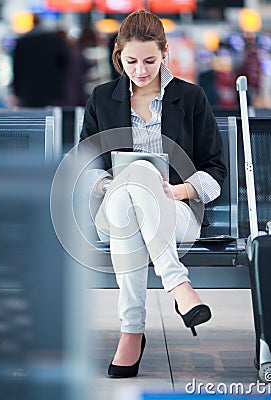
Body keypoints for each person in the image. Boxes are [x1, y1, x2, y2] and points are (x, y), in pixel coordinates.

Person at [80, 10, 226, 379]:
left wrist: (178, 189)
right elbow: (85, 169)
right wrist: (109, 186)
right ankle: (178, 285)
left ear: (165, 52)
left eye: (150, 60)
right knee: (135, 179)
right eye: (131, 61)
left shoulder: (190, 98)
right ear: (118, 56)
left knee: (141, 179)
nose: (141, 70)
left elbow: (216, 172)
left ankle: (131, 332)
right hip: (114, 211)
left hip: (176, 211)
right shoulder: (101, 99)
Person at [12, 14, 70, 107]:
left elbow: (16, 68)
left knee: (30, 118)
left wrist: (16, 90)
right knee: (51, 117)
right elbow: (65, 63)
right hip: (50, 87)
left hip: (28, 89)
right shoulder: (54, 41)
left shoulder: (22, 43)